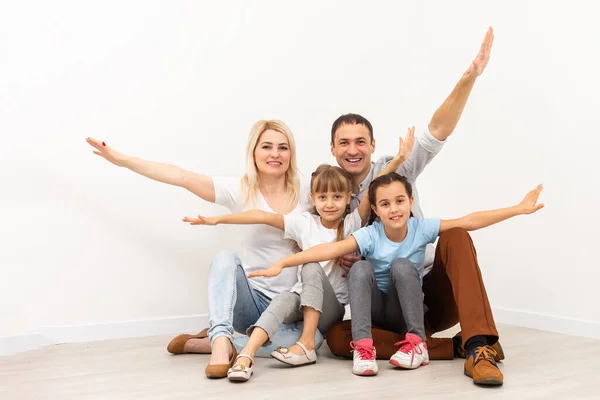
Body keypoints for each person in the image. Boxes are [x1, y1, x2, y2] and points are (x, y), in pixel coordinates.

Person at [325, 27, 509, 385]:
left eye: (360, 141)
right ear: (332, 148)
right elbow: (310, 241)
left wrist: (469, 78)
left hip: (427, 295)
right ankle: (442, 348)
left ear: (373, 145)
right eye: (343, 142)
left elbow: (438, 130)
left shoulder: (397, 168)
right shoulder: (326, 195)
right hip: (380, 304)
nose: (352, 149)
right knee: (335, 338)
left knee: (455, 235)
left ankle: (478, 347)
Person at [251, 173, 544, 385]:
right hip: (382, 314)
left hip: (414, 310)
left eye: (400, 201)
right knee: (343, 321)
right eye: (386, 204)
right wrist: (283, 262)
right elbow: (328, 249)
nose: (394, 209)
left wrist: (517, 209)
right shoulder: (369, 234)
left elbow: (469, 220)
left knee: (414, 259)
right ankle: (381, 348)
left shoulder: (421, 228)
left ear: (411, 202)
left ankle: (439, 343)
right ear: (375, 210)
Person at [86, 119, 315, 379]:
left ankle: (213, 343)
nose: (275, 154)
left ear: (291, 153)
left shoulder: (307, 189)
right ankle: (219, 341)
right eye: (267, 147)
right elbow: (182, 177)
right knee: (225, 258)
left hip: (293, 305)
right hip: (252, 302)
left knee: (315, 340)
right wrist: (124, 160)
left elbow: (341, 209)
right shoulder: (240, 190)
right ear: (254, 152)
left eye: (283, 148)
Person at [182, 128, 416, 382]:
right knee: (284, 299)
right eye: (323, 197)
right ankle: (243, 353)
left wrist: (399, 160)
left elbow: (372, 188)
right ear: (313, 198)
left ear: (348, 198)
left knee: (311, 267)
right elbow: (261, 215)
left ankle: (301, 343)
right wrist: (219, 220)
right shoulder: (304, 223)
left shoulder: (350, 224)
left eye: (337, 197)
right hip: (300, 299)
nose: (329, 204)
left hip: (330, 308)